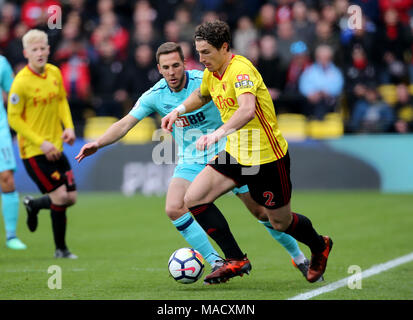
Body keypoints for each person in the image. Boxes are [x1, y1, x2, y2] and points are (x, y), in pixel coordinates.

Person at [76, 42, 311, 282]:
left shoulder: (205, 80)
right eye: (166, 67)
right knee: (174, 207)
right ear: (159, 68)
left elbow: (241, 106)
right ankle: (217, 260)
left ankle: (299, 257)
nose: (172, 72)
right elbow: (125, 123)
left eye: (176, 65)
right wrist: (98, 143)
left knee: (262, 212)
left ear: (185, 63)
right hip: (192, 159)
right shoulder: (155, 95)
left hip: (228, 153)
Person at [161, 20, 333, 284]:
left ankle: (319, 244)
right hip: (236, 154)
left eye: (205, 51)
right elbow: (202, 95)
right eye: (198, 52)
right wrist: (178, 110)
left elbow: (246, 110)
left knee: (279, 222)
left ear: (224, 47)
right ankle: (235, 259)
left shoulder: (241, 70)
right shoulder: (212, 71)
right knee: (193, 198)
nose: (200, 58)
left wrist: (218, 133)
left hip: (267, 158)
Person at [8, 29, 78, 259]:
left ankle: (34, 204)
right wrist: (42, 142)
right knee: (60, 198)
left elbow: (61, 103)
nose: (39, 53)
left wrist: (68, 127)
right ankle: (61, 249)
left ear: (48, 49)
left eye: (42, 48)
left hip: (56, 147)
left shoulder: (54, 73)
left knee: (71, 198)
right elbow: (14, 118)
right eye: (34, 50)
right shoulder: (20, 83)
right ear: (26, 53)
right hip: (34, 151)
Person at [0, 55, 26, 250]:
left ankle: (11, 236)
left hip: (0, 129)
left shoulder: (2, 63)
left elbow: (12, 96)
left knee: (7, 178)